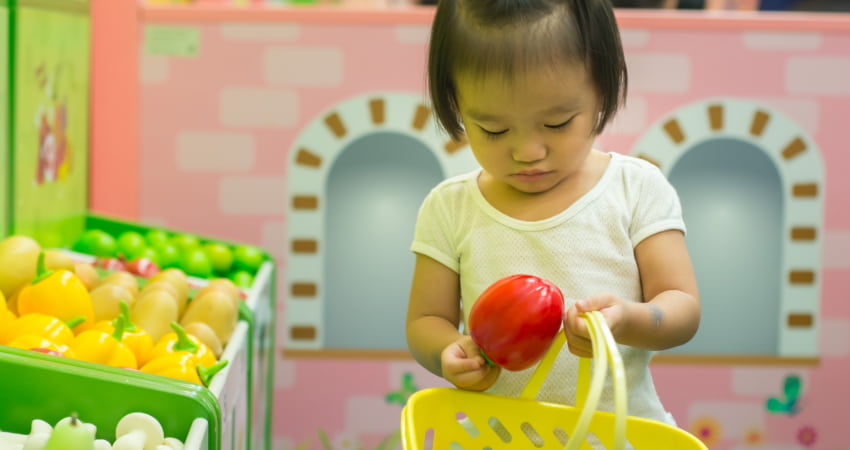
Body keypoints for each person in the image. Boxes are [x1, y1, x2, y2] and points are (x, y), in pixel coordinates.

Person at [405, 0, 701, 429]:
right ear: (455, 103)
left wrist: (627, 320)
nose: (528, 152)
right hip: (498, 437)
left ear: (603, 88)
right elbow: (425, 320)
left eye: (559, 122)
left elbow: (682, 307)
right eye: (494, 129)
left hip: (615, 435)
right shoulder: (450, 207)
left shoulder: (635, 189)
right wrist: (449, 351)